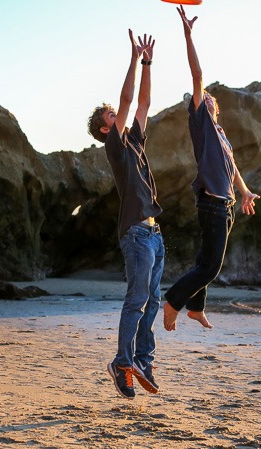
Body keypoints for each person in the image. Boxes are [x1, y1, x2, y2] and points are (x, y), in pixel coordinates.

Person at [163, 6, 260, 332]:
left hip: (226, 204)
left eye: (208, 99)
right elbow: (197, 75)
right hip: (213, 204)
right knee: (211, 268)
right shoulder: (202, 124)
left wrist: (244, 191)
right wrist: (189, 35)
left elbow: (232, 168)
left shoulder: (220, 136)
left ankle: (196, 308)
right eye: (200, 98)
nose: (204, 99)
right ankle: (173, 301)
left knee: (204, 262)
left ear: (216, 108)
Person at [87, 30, 164, 400]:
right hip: (135, 233)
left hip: (154, 232)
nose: (118, 115)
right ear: (105, 128)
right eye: (111, 116)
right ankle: (122, 362)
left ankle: (142, 361)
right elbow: (129, 97)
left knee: (153, 299)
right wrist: (133, 59)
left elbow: (144, 102)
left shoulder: (134, 139)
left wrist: (149, 62)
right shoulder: (115, 146)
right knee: (136, 299)